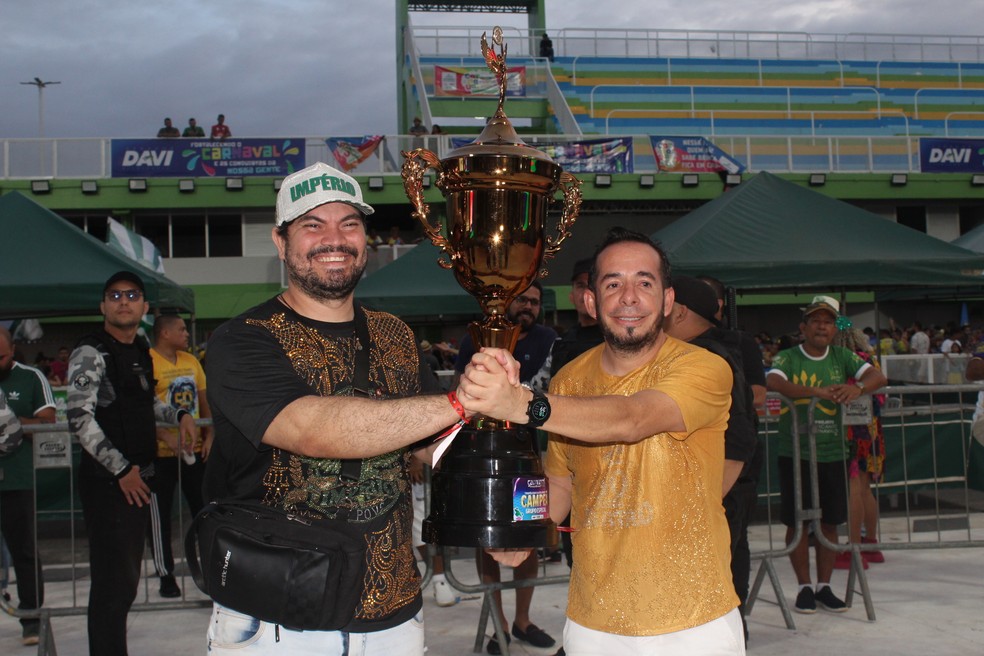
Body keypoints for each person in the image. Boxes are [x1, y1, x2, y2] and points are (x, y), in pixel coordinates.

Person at [202, 161, 474, 655]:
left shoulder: (396, 335)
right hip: (278, 618)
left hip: (393, 614)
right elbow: (313, 430)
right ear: (281, 243)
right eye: (313, 225)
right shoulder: (242, 341)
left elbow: (427, 449)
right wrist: (460, 401)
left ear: (365, 239)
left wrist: (490, 443)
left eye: (349, 223)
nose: (335, 238)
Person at [458, 227, 743, 654]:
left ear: (667, 300)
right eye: (613, 284)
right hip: (592, 620)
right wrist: (523, 529)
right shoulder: (570, 379)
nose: (629, 297)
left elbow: (633, 418)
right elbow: (561, 481)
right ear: (591, 301)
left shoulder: (704, 367)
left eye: (644, 283)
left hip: (694, 620)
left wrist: (522, 404)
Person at [66, 271, 197, 656]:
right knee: (112, 585)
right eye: (115, 295)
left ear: (144, 308)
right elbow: (79, 418)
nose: (123, 301)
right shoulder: (91, 352)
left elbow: (145, 404)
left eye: (132, 295)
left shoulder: (139, 348)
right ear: (103, 306)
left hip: (140, 477)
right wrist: (120, 469)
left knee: (124, 583)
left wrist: (179, 415)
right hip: (111, 483)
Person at [453, 281, 557, 655]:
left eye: (534, 301)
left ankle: (523, 621)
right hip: (485, 452)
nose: (528, 306)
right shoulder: (477, 338)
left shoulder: (549, 340)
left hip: (530, 455)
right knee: (489, 540)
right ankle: (499, 627)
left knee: (527, 539)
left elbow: (556, 397)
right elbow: (461, 390)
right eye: (522, 300)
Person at [766, 295, 887, 615]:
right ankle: (804, 587)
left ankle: (824, 586)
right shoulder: (789, 356)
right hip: (795, 452)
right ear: (803, 327)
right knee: (796, 522)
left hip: (834, 450)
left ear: (835, 328)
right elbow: (775, 382)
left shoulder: (843, 356)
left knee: (830, 522)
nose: (823, 326)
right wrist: (817, 392)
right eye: (816, 321)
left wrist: (858, 389)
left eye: (829, 321)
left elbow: (878, 377)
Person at [665, 276, 760, 646]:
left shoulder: (709, 358)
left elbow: (739, 438)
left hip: (717, 493)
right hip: (715, 494)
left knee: (709, 594)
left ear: (679, 311)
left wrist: (707, 499)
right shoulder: (710, 351)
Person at [696, 274, 767, 646]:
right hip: (704, 470)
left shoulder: (738, 344)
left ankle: (733, 624)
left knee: (732, 547)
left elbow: (755, 398)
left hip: (733, 469)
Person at [546, 258, 604, 574]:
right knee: (577, 557)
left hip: (610, 460)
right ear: (572, 293)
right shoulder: (563, 343)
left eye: (591, 284)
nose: (585, 293)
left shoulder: (618, 340)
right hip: (569, 462)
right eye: (580, 285)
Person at [148, 313, 211, 598]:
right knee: (159, 517)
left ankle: (210, 568)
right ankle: (165, 575)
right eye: (182, 329)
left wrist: (210, 433)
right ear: (164, 333)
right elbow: (143, 409)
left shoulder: (191, 362)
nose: (187, 334)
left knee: (204, 512)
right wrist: (164, 435)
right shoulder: (147, 361)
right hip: (159, 456)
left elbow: (204, 400)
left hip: (193, 452)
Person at [0, 327, 53, 647]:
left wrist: (9, 425)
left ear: (13, 349)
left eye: (0, 356)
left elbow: (49, 423)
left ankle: (31, 618)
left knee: (24, 551)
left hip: (16, 481)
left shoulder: (30, 377)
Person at [832, 327, 886, 569]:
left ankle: (853, 549)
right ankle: (870, 543)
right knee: (865, 487)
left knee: (853, 486)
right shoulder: (870, 360)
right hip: (872, 429)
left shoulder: (843, 361)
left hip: (852, 430)